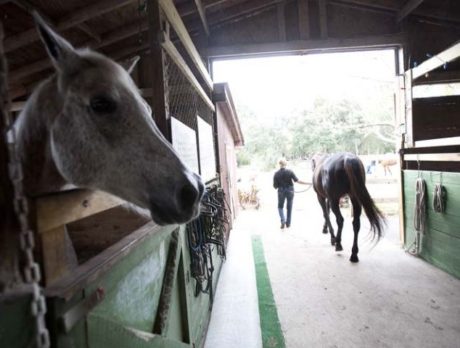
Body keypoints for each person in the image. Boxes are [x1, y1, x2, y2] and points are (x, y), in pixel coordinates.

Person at [273, 158, 309, 229]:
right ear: (285, 164)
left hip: (281, 191)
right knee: (289, 207)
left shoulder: (276, 174)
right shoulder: (290, 172)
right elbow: (297, 181)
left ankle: (283, 220)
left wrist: (279, 184)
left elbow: (275, 186)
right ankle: (288, 224)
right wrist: (309, 183)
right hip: (290, 191)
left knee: (280, 207)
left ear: (279, 164)